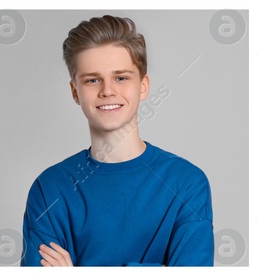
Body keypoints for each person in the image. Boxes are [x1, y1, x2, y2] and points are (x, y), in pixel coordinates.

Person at [21, 15, 213, 267]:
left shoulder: (187, 183)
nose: (107, 91)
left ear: (143, 87)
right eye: (92, 80)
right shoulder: (49, 189)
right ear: (75, 92)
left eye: (121, 77)